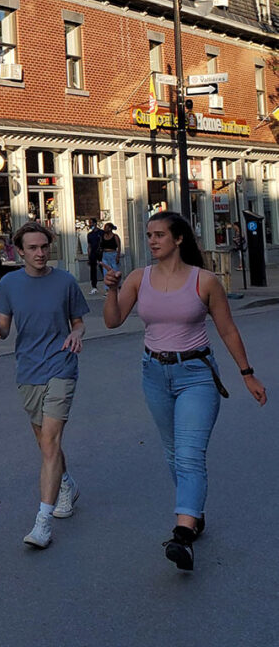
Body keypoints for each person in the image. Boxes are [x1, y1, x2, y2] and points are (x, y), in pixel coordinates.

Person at [102, 211, 267, 571]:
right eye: (148, 235)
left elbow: (227, 330)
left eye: (159, 234)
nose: (152, 241)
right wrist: (112, 289)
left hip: (197, 375)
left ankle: (183, 535)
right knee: (174, 454)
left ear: (178, 239)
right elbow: (112, 321)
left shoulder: (204, 281)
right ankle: (193, 513)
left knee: (190, 455)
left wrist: (247, 374)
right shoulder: (138, 278)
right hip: (154, 373)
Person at [0, 221, 88, 550]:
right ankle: (66, 483)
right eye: (33, 248)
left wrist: (75, 334)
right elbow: (4, 327)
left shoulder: (66, 282)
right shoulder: (9, 285)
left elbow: (80, 322)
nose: (40, 253)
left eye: (44, 247)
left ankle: (43, 523)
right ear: (20, 251)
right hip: (28, 369)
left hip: (61, 365)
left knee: (51, 442)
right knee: (45, 444)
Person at [99, 222, 122, 289]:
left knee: (115, 270)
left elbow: (119, 247)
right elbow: (101, 245)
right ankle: (107, 288)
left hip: (113, 254)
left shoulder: (115, 236)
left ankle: (117, 285)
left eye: (106, 227)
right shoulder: (103, 236)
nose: (104, 229)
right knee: (106, 271)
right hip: (105, 255)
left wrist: (118, 256)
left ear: (110, 228)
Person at [86, 218, 103, 294]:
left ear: (96, 223)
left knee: (103, 268)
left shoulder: (101, 233)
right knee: (93, 270)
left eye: (92, 223)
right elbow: (89, 246)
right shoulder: (89, 235)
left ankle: (108, 285)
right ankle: (94, 286)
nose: (90, 225)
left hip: (101, 252)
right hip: (93, 253)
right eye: (90, 223)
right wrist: (89, 256)